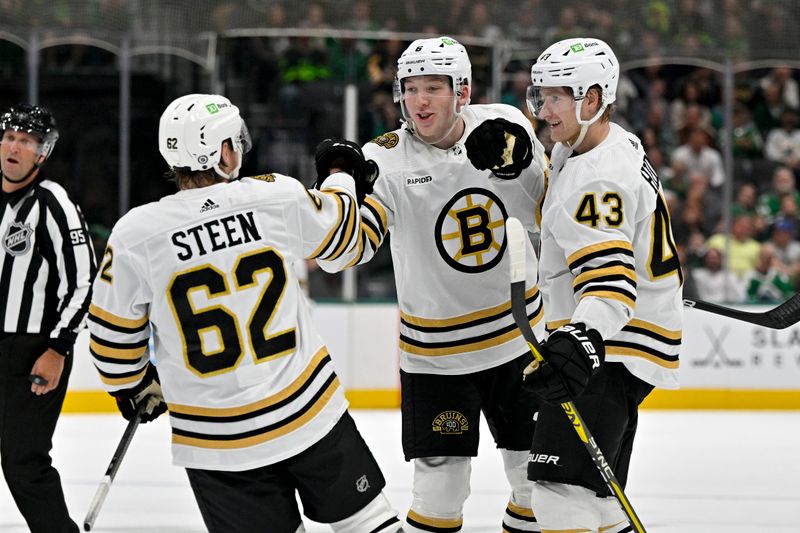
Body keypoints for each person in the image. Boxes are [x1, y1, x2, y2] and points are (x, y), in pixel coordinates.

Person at [87, 94, 402, 533]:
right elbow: (345, 240)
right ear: (221, 152)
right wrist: (342, 175)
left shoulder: (135, 234)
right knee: (367, 521)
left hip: (216, 444)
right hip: (307, 414)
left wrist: (134, 385)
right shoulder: (273, 196)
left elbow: (111, 342)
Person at [317, 37, 548, 533]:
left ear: (462, 91)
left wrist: (520, 162)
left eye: (433, 89)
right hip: (436, 356)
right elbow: (344, 255)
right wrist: (337, 197)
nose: (419, 101)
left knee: (539, 484)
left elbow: (545, 213)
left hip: (517, 339)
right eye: (411, 89)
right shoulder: (387, 160)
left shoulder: (502, 124)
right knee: (440, 492)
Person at [521, 37, 682, 532]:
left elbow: (610, 282)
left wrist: (581, 339)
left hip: (607, 350)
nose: (543, 110)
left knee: (556, 493)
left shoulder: (593, 178)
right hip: (632, 346)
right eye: (540, 96)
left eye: (556, 98)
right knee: (598, 494)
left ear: (592, 99)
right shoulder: (612, 143)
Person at [0, 104, 94, 533]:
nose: (14, 146)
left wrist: (58, 348)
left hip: (33, 352)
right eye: (9, 137)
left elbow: (84, 281)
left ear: (42, 153)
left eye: (26, 141)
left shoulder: (52, 203)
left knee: (24, 464)